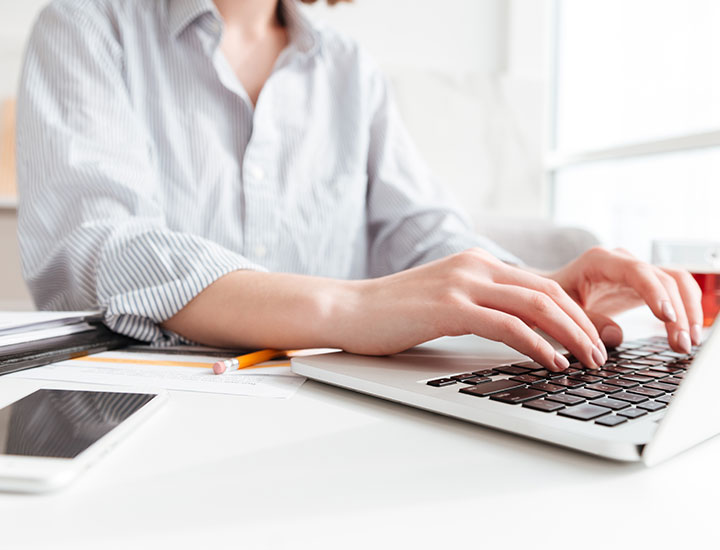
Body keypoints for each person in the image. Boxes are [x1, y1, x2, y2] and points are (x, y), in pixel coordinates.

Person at [17, 0, 702, 373]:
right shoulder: (84, 24)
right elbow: (102, 247)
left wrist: (532, 291)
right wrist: (349, 308)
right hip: (151, 400)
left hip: (334, 397)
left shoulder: (349, 70)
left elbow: (425, 232)